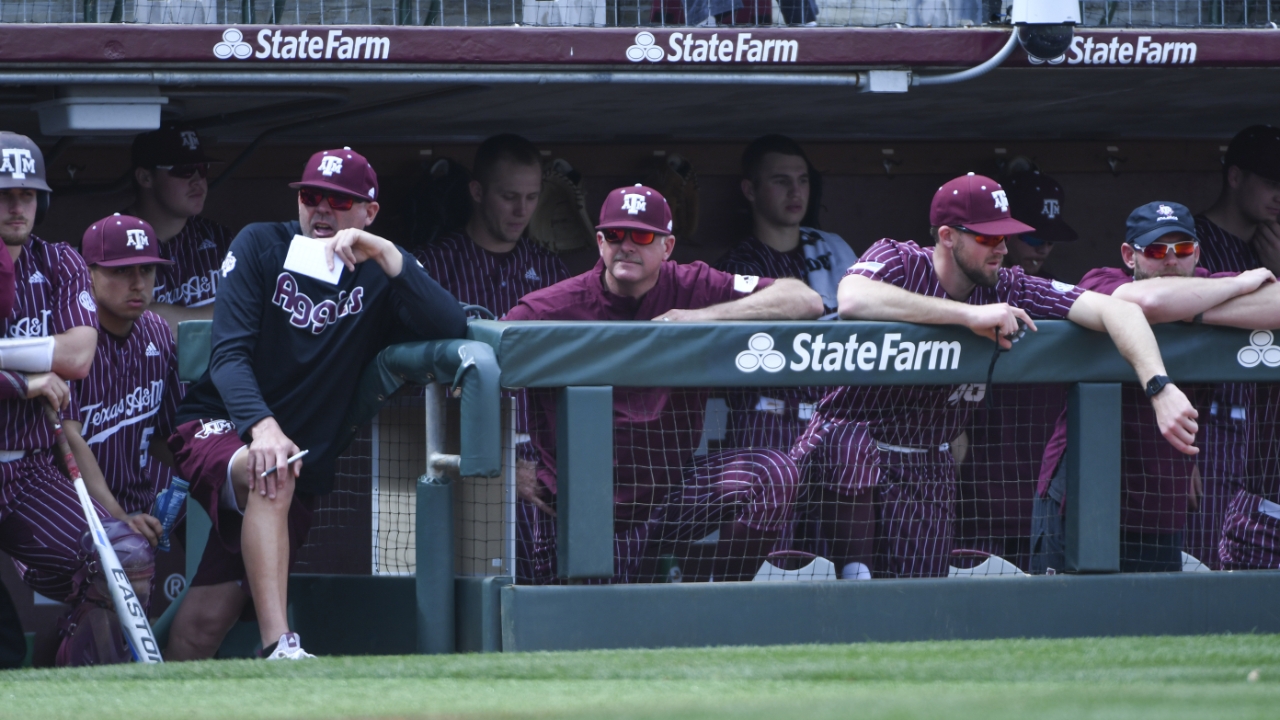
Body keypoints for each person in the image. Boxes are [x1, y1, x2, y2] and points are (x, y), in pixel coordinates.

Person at [792, 173, 1199, 580]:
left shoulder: (1008, 285)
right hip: (844, 458)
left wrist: (1159, 388)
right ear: (948, 236)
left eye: (1006, 237)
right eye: (989, 238)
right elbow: (853, 297)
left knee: (920, 606)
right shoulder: (900, 258)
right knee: (839, 583)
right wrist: (968, 316)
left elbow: (1120, 310)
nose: (1003, 249)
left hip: (925, 461)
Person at [164, 147, 467, 660]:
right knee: (272, 470)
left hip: (297, 461)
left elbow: (451, 326)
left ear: (369, 212)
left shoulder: (380, 273)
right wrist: (262, 427)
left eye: (340, 201)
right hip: (220, 426)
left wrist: (390, 256)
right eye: (311, 197)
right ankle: (279, 648)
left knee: (204, 623)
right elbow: (229, 354)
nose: (322, 210)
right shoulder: (261, 243)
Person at [506, 184, 823, 584]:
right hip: (581, 503)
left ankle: (720, 603)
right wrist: (506, 467)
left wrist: (701, 318)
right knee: (595, 631)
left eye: (641, 236)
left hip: (669, 494)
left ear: (667, 246)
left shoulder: (693, 287)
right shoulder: (548, 309)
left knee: (772, 474)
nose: (626, 247)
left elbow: (805, 300)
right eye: (614, 236)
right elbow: (470, 375)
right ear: (600, 242)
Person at [1036, 201, 1280, 573]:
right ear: (1128, 256)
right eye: (1155, 250)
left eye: (1182, 250)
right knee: (1066, 619)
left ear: (1197, 253)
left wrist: (1192, 310)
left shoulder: (1209, 286)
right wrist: (1238, 286)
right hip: (1084, 491)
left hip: (1161, 495)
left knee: (1153, 620)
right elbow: (1145, 300)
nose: (1170, 261)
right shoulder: (1101, 280)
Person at [0, 132, 155, 665]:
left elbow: (78, 355)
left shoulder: (60, 261)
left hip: (29, 470)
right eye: (4, 194)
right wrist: (24, 380)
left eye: (26, 194)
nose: (17, 206)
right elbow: (52, 360)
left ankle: (77, 688)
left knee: (123, 561)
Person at [52, 214, 182, 664]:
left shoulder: (157, 334)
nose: (137, 282)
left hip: (136, 501)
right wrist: (121, 516)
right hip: (68, 505)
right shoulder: (72, 339)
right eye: (121, 270)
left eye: (145, 270)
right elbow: (69, 439)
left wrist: (206, 482)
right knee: (126, 554)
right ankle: (95, 680)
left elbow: (171, 434)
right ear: (88, 276)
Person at [956, 170, 1077, 572]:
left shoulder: (1056, 301)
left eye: (1049, 240)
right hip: (980, 502)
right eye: (1033, 238)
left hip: (1042, 500)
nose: (1042, 249)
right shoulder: (965, 300)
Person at [715, 135, 858, 453]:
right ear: (750, 190)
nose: (796, 192)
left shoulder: (830, 248)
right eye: (781, 181)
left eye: (802, 181)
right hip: (766, 419)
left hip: (832, 419)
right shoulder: (736, 265)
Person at [1189, 125, 1280, 568]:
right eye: (1270, 181)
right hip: (1205, 429)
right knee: (1201, 566)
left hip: (1256, 440)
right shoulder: (1191, 243)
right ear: (1236, 177)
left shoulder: (1267, 248)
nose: (1279, 194)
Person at [414, 134, 569, 318]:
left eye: (532, 197)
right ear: (477, 192)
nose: (522, 210)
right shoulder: (430, 266)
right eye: (509, 197)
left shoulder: (551, 271)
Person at [123, 125, 236, 336]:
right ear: (145, 178)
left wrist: (170, 316)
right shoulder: (111, 240)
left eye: (202, 169)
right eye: (183, 170)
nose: (197, 181)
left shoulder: (219, 237)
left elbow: (249, 311)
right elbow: (136, 324)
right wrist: (220, 315)